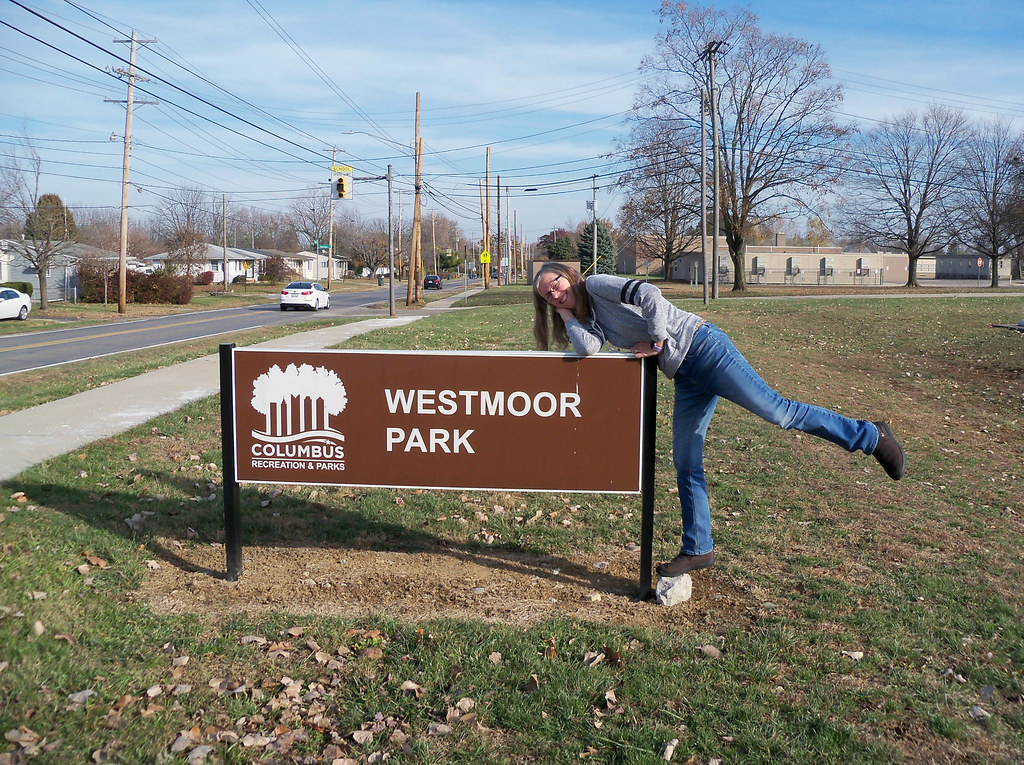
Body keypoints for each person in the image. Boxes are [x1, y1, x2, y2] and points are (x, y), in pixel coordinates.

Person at [532, 262, 905, 578]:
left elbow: (649, 294)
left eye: (556, 284)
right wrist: (566, 315)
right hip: (685, 374)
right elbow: (588, 348)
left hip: (704, 347)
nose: (555, 293)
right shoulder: (587, 317)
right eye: (547, 295)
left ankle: (870, 435)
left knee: (779, 411)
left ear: (569, 275)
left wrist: (658, 342)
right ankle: (699, 548)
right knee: (685, 461)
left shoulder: (597, 285)